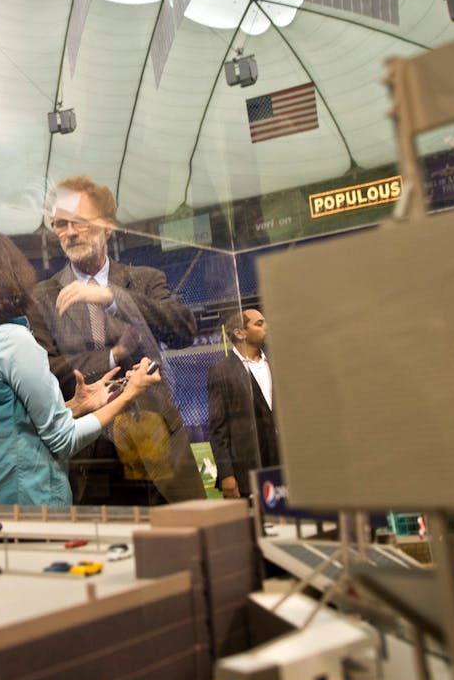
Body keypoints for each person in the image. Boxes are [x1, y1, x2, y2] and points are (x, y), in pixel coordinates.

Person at [0, 230, 162, 506]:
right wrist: (127, 395)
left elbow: (0, 427)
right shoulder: (11, 340)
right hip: (27, 514)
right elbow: (64, 440)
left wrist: (75, 406)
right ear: (4, 273)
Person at [27, 176, 205, 505]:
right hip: (90, 453)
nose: (70, 232)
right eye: (60, 224)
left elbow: (183, 329)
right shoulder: (42, 296)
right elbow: (45, 370)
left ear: (107, 226)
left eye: (79, 222)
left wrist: (113, 298)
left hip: (155, 442)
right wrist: (114, 355)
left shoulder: (144, 281)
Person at [207, 308, 279, 501]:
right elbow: (218, 430)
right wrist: (227, 475)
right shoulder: (220, 372)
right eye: (259, 323)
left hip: (282, 469)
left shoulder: (277, 364)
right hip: (246, 475)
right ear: (240, 332)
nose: (266, 327)